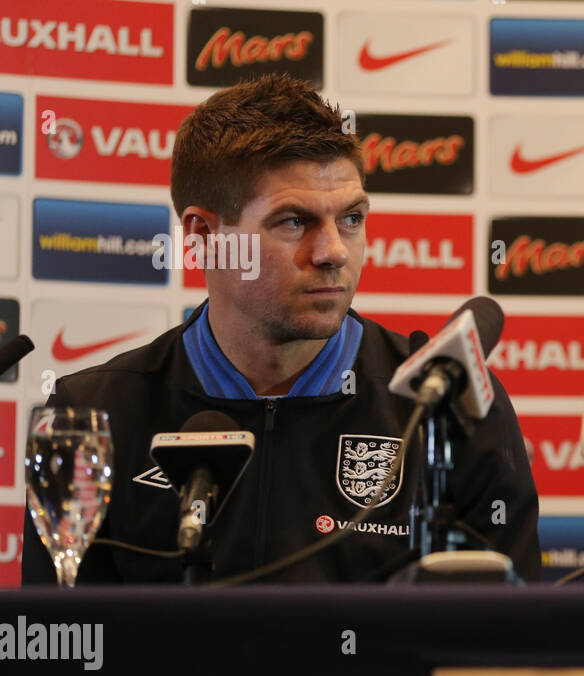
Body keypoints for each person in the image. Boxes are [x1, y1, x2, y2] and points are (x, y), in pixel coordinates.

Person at [23, 74, 540, 584]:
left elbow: (503, 651)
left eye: (352, 218)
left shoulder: (450, 407)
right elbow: (63, 648)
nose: (333, 251)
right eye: (293, 221)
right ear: (205, 236)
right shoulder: (91, 415)